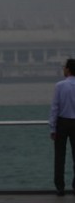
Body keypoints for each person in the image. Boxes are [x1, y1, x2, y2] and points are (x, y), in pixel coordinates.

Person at [51, 58, 75, 196]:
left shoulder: (60, 85)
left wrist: (52, 128)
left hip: (62, 122)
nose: (63, 69)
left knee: (59, 156)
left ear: (68, 69)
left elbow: (55, 108)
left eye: (64, 67)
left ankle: (60, 187)